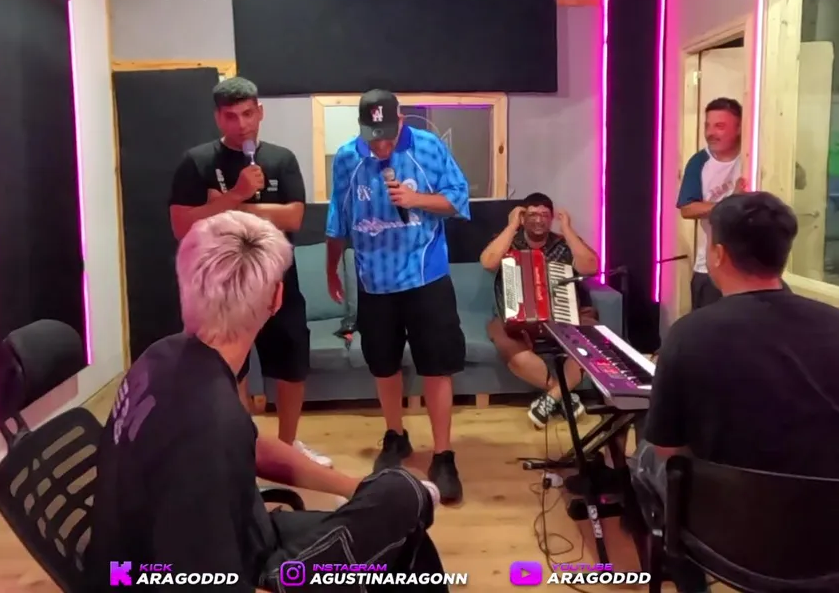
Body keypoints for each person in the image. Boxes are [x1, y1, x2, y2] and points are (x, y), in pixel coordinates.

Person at [87, 212, 446, 592]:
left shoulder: (163, 357)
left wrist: (352, 487)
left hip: (230, 538)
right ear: (276, 298)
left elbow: (249, 446)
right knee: (402, 498)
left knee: (404, 528)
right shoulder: (209, 427)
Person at [633, 192, 839, 593]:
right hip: (831, 531)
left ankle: (691, 582)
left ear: (718, 254)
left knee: (644, 457)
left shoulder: (690, 334)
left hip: (733, 533)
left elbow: (667, 449)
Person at [168, 77, 329, 467]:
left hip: (277, 281)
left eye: (247, 114)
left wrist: (226, 206)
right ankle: (242, 449)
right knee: (229, 368)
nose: (241, 124)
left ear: (260, 112)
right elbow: (181, 225)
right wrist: (238, 193)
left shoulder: (281, 159)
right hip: (221, 287)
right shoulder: (197, 162)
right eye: (231, 116)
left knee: (292, 365)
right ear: (217, 118)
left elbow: (294, 217)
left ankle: (287, 448)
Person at [325, 89, 470, 504]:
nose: (381, 145)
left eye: (387, 135)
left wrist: (416, 199)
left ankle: (443, 455)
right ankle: (395, 435)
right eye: (373, 137)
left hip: (426, 277)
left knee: (437, 368)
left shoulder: (428, 147)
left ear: (401, 119)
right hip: (374, 282)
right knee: (383, 365)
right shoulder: (348, 158)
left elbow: (458, 199)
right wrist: (331, 267)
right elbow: (339, 217)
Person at [480, 192, 600, 428]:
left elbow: (591, 267)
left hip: (564, 315)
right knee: (501, 334)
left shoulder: (563, 244)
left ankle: (551, 398)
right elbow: (488, 262)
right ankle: (561, 395)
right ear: (523, 217)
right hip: (519, 319)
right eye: (532, 214)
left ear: (551, 218)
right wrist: (511, 226)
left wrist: (567, 230)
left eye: (544, 215)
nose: (538, 220)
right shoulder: (510, 242)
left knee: (591, 335)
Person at [677, 97, 747, 310]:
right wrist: (730, 203)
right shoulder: (699, 162)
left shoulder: (753, 156)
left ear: (739, 128)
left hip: (749, 270)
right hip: (710, 269)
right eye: (708, 125)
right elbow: (687, 209)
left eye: (720, 126)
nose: (710, 133)